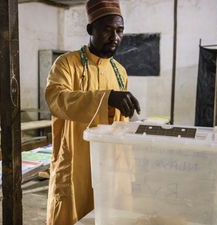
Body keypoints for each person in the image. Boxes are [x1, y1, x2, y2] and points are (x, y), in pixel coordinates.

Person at [45, 0, 141, 224]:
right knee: (73, 212)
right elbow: (55, 99)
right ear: (91, 30)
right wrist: (105, 97)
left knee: (109, 213)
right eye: (107, 29)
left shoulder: (119, 71)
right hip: (77, 157)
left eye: (119, 30)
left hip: (110, 161)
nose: (114, 37)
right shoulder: (66, 64)